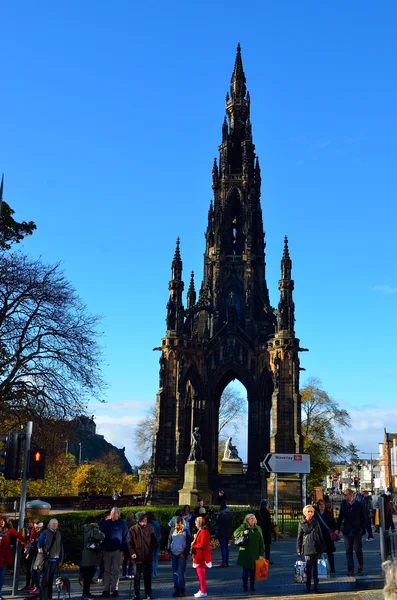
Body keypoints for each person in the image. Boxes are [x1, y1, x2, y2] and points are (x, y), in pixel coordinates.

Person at [335, 487, 366, 576]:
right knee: (348, 550)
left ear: (351, 495)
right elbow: (340, 517)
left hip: (356, 530)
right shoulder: (343, 504)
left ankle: (360, 564)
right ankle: (350, 569)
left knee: (357, 549)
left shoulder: (359, 504)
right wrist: (337, 528)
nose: (344, 496)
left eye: (345, 495)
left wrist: (361, 527)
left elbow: (364, 517)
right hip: (347, 530)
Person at [128, 511, 158, 600]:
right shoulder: (133, 529)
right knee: (136, 578)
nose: (145, 521)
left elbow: (154, 541)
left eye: (146, 519)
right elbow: (130, 543)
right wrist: (132, 552)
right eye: (143, 519)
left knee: (147, 577)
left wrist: (150, 550)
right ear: (139, 520)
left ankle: (148, 594)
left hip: (147, 556)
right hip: (137, 557)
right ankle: (136, 595)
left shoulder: (150, 528)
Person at [100, 506, 129, 597]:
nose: (112, 514)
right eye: (111, 513)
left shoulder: (122, 524)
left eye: (114, 513)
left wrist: (122, 548)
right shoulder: (105, 523)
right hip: (106, 550)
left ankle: (115, 589)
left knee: (116, 570)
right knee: (107, 570)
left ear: (118, 514)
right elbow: (100, 534)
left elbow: (126, 537)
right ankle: (106, 589)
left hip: (117, 550)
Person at [297, 505, 324, 594]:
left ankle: (316, 586)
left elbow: (320, 535)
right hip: (307, 548)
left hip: (316, 547)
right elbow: (299, 538)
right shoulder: (302, 523)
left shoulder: (316, 522)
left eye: (311, 511)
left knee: (316, 570)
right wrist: (299, 549)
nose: (310, 513)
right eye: (308, 511)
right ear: (305, 513)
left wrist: (322, 547)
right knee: (308, 569)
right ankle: (308, 586)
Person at [234, 513, 264, 593]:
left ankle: (252, 586)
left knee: (253, 571)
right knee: (245, 571)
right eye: (251, 518)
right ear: (247, 520)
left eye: (254, 518)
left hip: (255, 553)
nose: (253, 519)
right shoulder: (243, 526)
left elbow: (261, 541)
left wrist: (261, 553)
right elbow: (235, 533)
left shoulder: (258, 528)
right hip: (245, 553)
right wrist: (243, 533)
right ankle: (245, 585)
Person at [36, 518, 63, 600]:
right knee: (45, 579)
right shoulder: (45, 533)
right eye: (53, 523)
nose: (55, 525)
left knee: (50, 579)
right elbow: (39, 545)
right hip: (47, 559)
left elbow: (61, 547)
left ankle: (49, 597)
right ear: (49, 524)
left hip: (55, 559)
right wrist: (41, 557)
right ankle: (43, 597)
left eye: (56, 523)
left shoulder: (58, 534)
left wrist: (60, 559)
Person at [0, 514, 26, 597]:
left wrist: (26, 542)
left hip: (4, 557)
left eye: (4, 521)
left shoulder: (9, 530)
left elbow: (18, 535)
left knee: (2, 575)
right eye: (1, 521)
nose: (2, 522)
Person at [80, 515, 105, 600]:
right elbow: (102, 536)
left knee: (86, 575)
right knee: (89, 575)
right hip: (91, 554)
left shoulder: (85, 529)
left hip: (85, 554)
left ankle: (85, 592)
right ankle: (86, 593)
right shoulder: (94, 529)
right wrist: (98, 528)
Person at [168, 516, 191, 597]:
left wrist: (184, 553)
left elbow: (188, 544)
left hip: (181, 554)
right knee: (175, 573)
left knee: (180, 573)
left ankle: (182, 589)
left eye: (178, 524)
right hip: (174, 553)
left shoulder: (186, 531)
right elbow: (169, 540)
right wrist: (169, 551)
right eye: (176, 524)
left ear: (182, 523)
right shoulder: (172, 530)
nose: (177, 525)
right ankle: (176, 589)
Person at [191, 516, 212, 598]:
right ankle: (202, 590)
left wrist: (193, 545)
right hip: (201, 556)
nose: (195, 524)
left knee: (201, 575)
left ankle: (203, 591)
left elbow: (201, 544)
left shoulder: (203, 531)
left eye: (196, 522)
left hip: (201, 557)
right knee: (200, 574)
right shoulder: (203, 531)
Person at [314, 499, 337, 573]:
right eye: (320, 505)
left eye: (323, 505)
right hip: (318, 536)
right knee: (318, 553)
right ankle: (319, 568)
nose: (321, 506)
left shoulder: (328, 514)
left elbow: (333, 524)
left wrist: (334, 530)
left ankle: (332, 568)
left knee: (329, 553)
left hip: (327, 536)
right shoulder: (316, 515)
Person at [23, 520, 43, 593]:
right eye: (34, 527)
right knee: (33, 570)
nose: (35, 528)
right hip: (34, 554)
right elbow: (32, 542)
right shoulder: (34, 533)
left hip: (39, 554)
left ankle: (37, 586)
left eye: (36, 527)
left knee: (35, 570)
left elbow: (38, 544)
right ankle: (36, 586)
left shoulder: (41, 534)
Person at [256, 499, 273, 564]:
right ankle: (267, 558)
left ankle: (259, 557)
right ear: (266, 505)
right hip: (266, 530)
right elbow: (268, 522)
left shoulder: (258, 512)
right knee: (267, 546)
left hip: (259, 530)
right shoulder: (266, 512)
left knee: (259, 545)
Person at [121, 512, 136, 580]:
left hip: (125, 543)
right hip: (132, 543)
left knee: (125, 559)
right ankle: (130, 573)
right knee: (131, 559)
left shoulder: (124, 523)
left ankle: (124, 573)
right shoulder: (135, 524)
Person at [146, 512, 161, 577]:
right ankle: (155, 572)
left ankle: (152, 572)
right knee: (155, 558)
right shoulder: (157, 523)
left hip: (151, 542)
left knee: (151, 558)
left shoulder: (148, 524)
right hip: (157, 541)